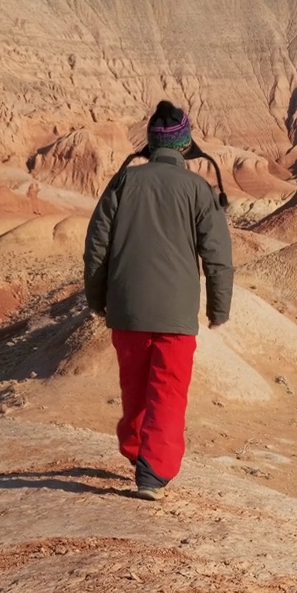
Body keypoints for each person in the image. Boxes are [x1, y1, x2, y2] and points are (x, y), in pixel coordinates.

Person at [83, 100, 234, 501]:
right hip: (176, 314)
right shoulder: (199, 190)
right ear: (185, 146)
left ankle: (136, 450)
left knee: (134, 385)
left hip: (127, 309)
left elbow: (96, 247)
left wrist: (98, 301)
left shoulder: (123, 183)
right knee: (167, 390)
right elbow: (218, 257)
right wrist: (218, 310)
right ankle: (153, 472)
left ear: (150, 144)